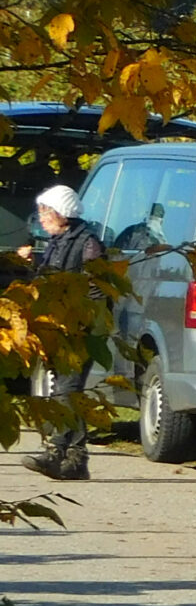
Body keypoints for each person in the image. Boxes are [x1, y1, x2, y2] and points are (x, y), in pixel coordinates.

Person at [17, 184, 103, 479]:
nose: (41, 218)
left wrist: (79, 322)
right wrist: (33, 266)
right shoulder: (58, 241)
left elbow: (97, 289)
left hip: (80, 329)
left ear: (61, 213)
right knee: (67, 390)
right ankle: (76, 460)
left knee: (66, 391)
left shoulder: (88, 243)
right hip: (58, 327)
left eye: (45, 212)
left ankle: (56, 452)